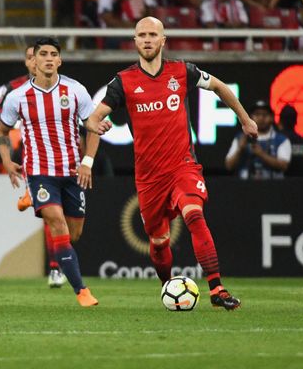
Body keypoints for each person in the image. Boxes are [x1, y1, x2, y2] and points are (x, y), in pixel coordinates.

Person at [86, 16, 258, 311]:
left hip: (183, 166)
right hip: (149, 177)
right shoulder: (123, 81)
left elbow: (219, 86)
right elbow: (93, 115)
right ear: (135, 41)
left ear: (163, 40)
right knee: (159, 241)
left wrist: (245, 118)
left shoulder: (183, 71)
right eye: (142, 35)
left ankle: (217, 288)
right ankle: (167, 286)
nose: (148, 39)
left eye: (153, 34)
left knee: (194, 215)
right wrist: (94, 124)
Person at [0, 37, 100, 307]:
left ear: (60, 60)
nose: (49, 58)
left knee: (72, 234)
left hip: (71, 171)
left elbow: (93, 126)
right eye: (43, 54)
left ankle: (31, 197)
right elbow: (2, 133)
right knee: (57, 224)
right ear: (35, 60)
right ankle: (82, 291)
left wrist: (87, 161)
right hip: (40, 171)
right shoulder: (17, 97)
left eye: (54, 53)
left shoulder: (75, 90)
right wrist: (7, 161)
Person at [0, 45, 68, 289]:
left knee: (58, 217)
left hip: (59, 156)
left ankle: (31, 196)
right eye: (30, 58)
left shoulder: (65, 88)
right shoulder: (14, 90)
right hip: (32, 155)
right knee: (51, 214)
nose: (36, 61)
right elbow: (2, 125)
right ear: (28, 62)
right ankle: (56, 268)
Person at [225, 100, 291, 179]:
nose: (261, 118)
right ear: (250, 117)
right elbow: (229, 166)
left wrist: (261, 154)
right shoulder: (240, 138)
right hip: (245, 187)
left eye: (265, 115)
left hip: (273, 187)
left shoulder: (281, 140)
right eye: (257, 114)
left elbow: (284, 166)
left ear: (272, 117)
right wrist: (240, 149)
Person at [277, 105, 303, 176]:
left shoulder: (276, 141)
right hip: (302, 184)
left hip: (281, 185)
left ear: (280, 121)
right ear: (296, 121)